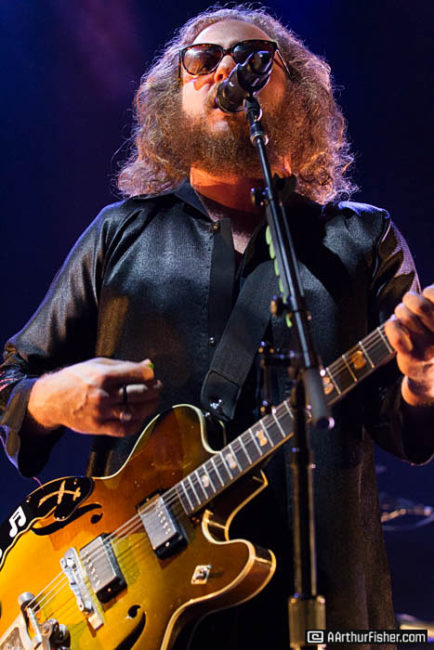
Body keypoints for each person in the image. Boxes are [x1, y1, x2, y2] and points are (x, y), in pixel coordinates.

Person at [0, 6, 433, 649]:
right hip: (137, 613)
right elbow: (10, 379)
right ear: (172, 100)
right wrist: (50, 397)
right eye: (202, 61)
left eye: (254, 61)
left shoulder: (363, 239)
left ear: (299, 96)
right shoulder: (119, 234)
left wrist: (422, 380)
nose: (226, 69)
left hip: (321, 608)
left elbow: (410, 430)